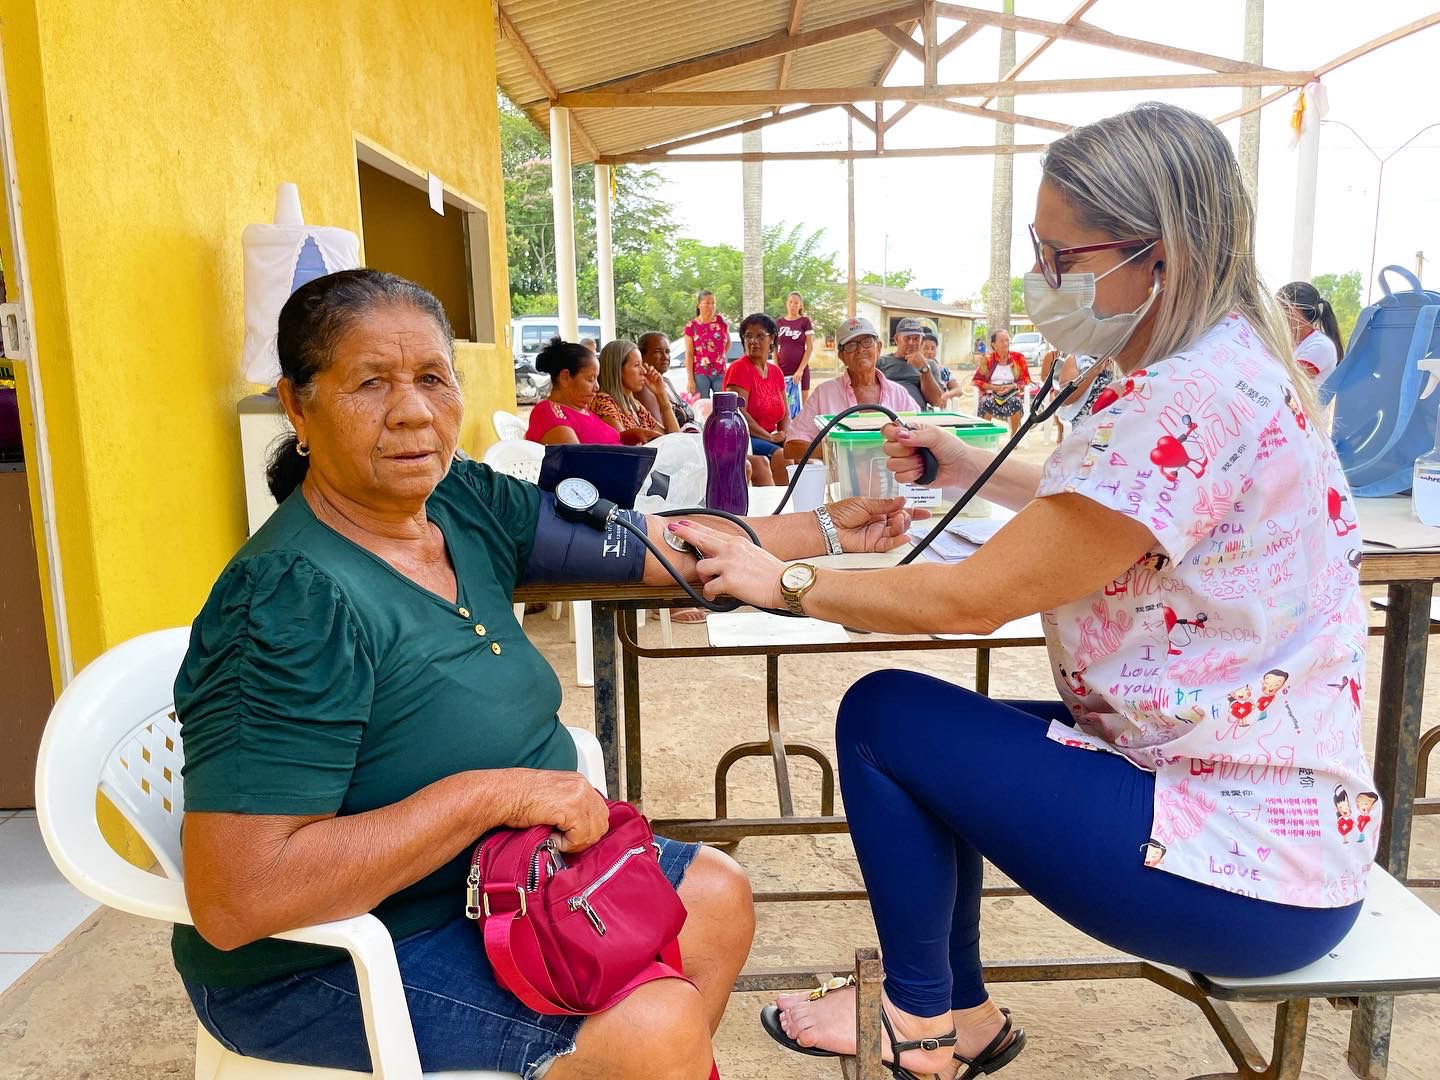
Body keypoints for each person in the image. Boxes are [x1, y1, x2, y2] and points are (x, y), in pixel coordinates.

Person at [669, 102, 1377, 1080]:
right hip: (1273, 817)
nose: (1047, 283)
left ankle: (924, 1027)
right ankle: (953, 1012)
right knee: (940, 742)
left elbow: (969, 602)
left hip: (1240, 867)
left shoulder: (1183, 393)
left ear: (1156, 254)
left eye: (1062, 259)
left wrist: (781, 577)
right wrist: (963, 462)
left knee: (888, 722)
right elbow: (1115, 496)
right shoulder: (1230, 358)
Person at [174, 268, 918, 1079]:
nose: (413, 411)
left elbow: (635, 541)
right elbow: (239, 897)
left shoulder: (453, 499)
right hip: (331, 957)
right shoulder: (291, 600)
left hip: (503, 881)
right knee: (656, 1025)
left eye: (431, 378)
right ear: (297, 404)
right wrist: (493, 794)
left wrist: (823, 530)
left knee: (716, 896)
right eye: (369, 383)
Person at [784, 316, 916, 461]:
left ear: (878, 347)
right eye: (851, 345)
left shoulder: (899, 394)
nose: (860, 349)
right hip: (841, 481)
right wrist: (842, 449)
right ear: (842, 356)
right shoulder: (824, 393)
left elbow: (921, 435)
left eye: (867, 342)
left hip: (892, 480)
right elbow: (792, 447)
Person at [723, 312, 791, 485]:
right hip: (743, 437)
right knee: (782, 456)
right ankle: (778, 508)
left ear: (772, 339)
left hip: (769, 437)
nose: (753, 341)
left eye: (760, 336)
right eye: (748, 336)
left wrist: (784, 433)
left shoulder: (776, 372)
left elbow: (785, 412)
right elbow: (739, 413)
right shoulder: (739, 369)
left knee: (802, 454)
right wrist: (770, 438)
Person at [524, 338, 620, 445]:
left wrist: (628, 436)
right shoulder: (548, 413)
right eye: (590, 379)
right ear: (565, 377)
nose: (597, 387)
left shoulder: (581, 410)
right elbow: (577, 459)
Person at [591, 338, 679, 443]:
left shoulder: (636, 407)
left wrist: (661, 395)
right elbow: (625, 449)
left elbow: (674, 439)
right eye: (637, 365)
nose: (644, 371)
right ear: (617, 370)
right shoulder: (604, 402)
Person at [1277, 280, 1345, 382]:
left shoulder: (1320, 346)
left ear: (1293, 310)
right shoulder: (1296, 342)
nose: (1276, 315)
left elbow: (1289, 383)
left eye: (1279, 309)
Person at [973, 329, 1032, 435]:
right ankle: (986, 435)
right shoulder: (987, 359)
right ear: (993, 345)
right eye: (1001, 341)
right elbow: (977, 380)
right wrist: (994, 388)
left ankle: (1013, 436)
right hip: (992, 393)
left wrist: (1012, 386)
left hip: (1011, 393)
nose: (1005, 343)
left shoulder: (1018, 358)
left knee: (1016, 402)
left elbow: (1026, 380)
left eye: (1007, 340)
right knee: (986, 402)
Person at [634, 331, 696, 430]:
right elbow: (661, 431)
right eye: (658, 351)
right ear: (642, 355)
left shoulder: (666, 381)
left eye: (667, 351)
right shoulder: (644, 387)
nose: (665, 357)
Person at [877, 317, 944, 409]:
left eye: (916, 338)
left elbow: (937, 401)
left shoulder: (929, 365)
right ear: (896, 339)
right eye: (907, 338)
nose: (912, 342)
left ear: (921, 341)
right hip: (888, 414)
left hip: (917, 416)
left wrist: (924, 369)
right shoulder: (881, 362)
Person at [683, 289, 729, 399]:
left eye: (713, 303)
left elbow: (728, 341)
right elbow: (689, 353)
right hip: (700, 373)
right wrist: (690, 379)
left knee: (724, 404)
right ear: (699, 305)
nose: (711, 306)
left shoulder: (720, 321)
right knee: (702, 407)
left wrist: (719, 356)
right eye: (707, 303)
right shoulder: (691, 326)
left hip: (720, 371)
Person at [775, 291, 816, 402]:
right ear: (786, 303)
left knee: (802, 405)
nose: (793, 305)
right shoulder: (779, 323)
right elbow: (773, 348)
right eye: (791, 302)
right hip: (783, 370)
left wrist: (800, 370)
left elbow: (810, 347)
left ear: (800, 305)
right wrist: (776, 369)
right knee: (784, 404)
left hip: (800, 370)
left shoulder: (805, 322)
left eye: (796, 303)